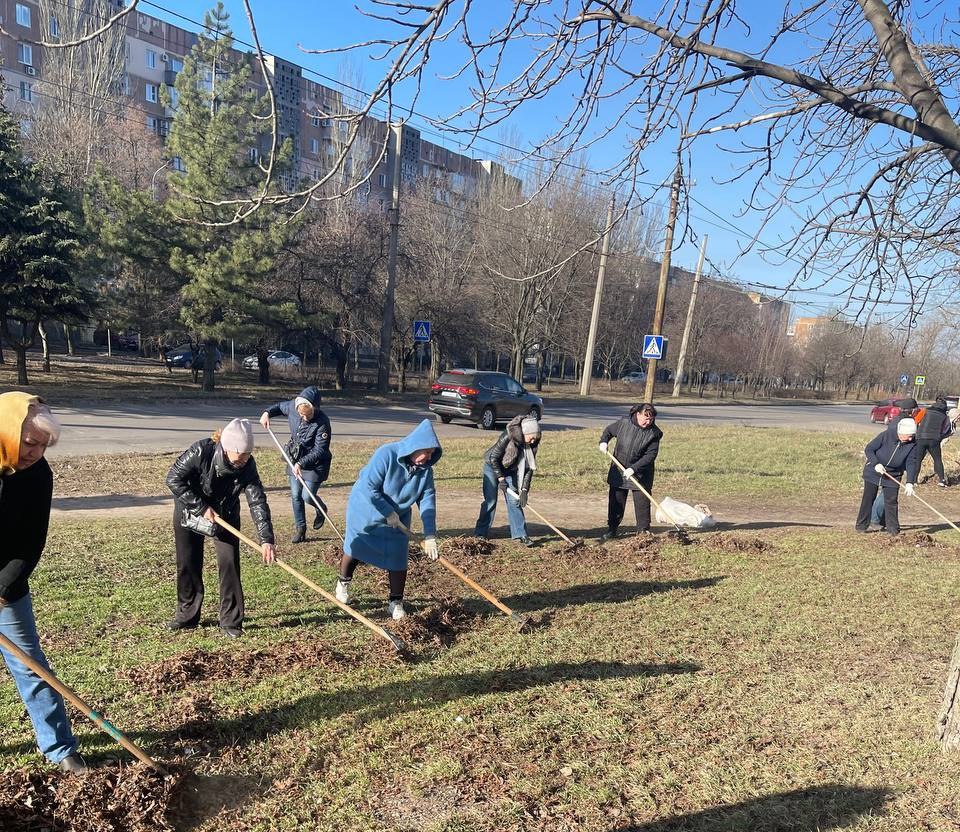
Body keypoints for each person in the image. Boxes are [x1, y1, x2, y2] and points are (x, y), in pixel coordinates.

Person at [0, 393, 85, 773]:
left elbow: (29, 544)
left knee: (31, 667)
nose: (35, 453)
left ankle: (60, 747)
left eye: (43, 446)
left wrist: (2, 590)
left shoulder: (38, 475)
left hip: (6, 590)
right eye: (29, 443)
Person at [165, 418, 276, 638]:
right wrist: (200, 506)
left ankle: (230, 621)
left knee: (229, 564)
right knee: (188, 563)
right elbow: (173, 478)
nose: (243, 461)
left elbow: (257, 501)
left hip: (226, 514)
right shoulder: (201, 451)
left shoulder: (247, 465)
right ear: (226, 447)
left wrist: (266, 539)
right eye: (240, 456)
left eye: (247, 455)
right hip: (191, 511)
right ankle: (187, 615)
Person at [335, 419, 441, 620]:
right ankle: (343, 583)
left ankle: (395, 602)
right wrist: (387, 512)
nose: (428, 457)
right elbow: (369, 487)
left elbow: (428, 501)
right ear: (415, 446)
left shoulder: (425, 471)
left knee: (398, 554)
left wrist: (430, 535)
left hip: (397, 517)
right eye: (426, 452)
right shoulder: (387, 454)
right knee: (355, 548)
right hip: (366, 510)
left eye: (431, 453)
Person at [259, 386, 332, 543]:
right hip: (295, 456)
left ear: (315, 409)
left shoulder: (322, 423)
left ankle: (321, 508)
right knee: (295, 495)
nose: (304, 418)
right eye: (301, 414)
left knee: (307, 496)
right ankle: (301, 529)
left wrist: (301, 463)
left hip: (315, 464)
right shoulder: (293, 407)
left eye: (307, 415)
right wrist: (267, 413)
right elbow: (279, 407)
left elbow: (320, 450)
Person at [598, 403, 663, 541]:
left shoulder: (654, 433)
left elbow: (650, 456)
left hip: (641, 473)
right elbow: (609, 431)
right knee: (616, 501)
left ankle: (643, 532)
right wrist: (603, 441)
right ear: (638, 414)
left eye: (651, 419)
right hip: (619, 468)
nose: (648, 422)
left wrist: (634, 468)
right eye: (645, 418)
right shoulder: (624, 423)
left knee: (642, 503)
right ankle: (612, 529)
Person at [474, 414, 541, 546]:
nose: (533, 440)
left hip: (510, 470)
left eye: (535, 437)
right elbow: (493, 458)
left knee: (514, 501)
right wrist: (501, 479)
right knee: (490, 500)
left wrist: (524, 489)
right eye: (531, 437)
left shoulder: (533, 443)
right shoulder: (508, 436)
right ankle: (480, 533)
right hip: (492, 467)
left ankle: (520, 534)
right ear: (524, 432)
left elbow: (529, 468)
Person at [856, 417, 919, 535]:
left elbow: (911, 462)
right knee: (868, 498)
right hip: (874, 470)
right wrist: (876, 463)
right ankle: (861, 526)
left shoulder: (913, 444)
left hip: (893, 474)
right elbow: (869, 449)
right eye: (909, 436)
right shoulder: (886, 435)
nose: (911, 438)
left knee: (891, 501)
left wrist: (910, 482)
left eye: (912, 436)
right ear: (901, 432)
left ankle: (893, 530)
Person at [915, 396, 951, 487]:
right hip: (934, 439)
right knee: (937, 459)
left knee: (918, 459)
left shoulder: (925, 410)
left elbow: (916, 421)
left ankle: (914, 480)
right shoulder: (944, 416)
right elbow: (944, 429)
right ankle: (942, 480)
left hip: (921, 437)